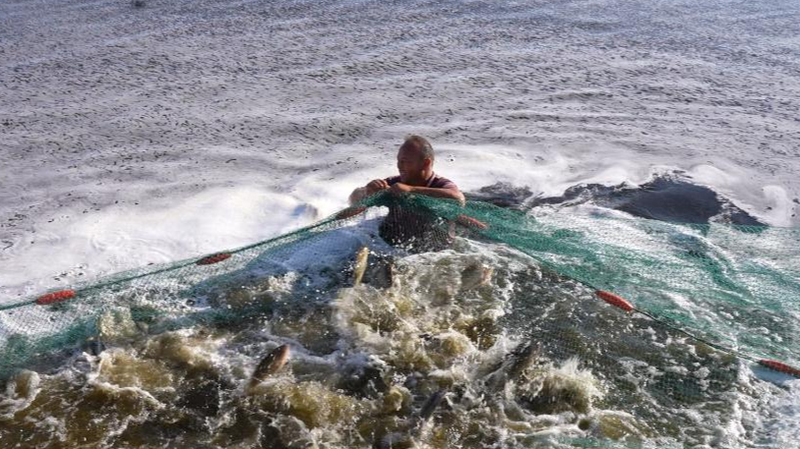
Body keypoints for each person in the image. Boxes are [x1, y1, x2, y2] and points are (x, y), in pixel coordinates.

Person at [349, 135, 465, 251]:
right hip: (390, 247)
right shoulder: (395, 182)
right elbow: (353, 199)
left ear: (426, 163)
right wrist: (368, 191)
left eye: (405, 161)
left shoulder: (441, 184)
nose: (399, 166)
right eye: (398, 161)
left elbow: (458, 199)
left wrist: (411, 190)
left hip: (433, 252)